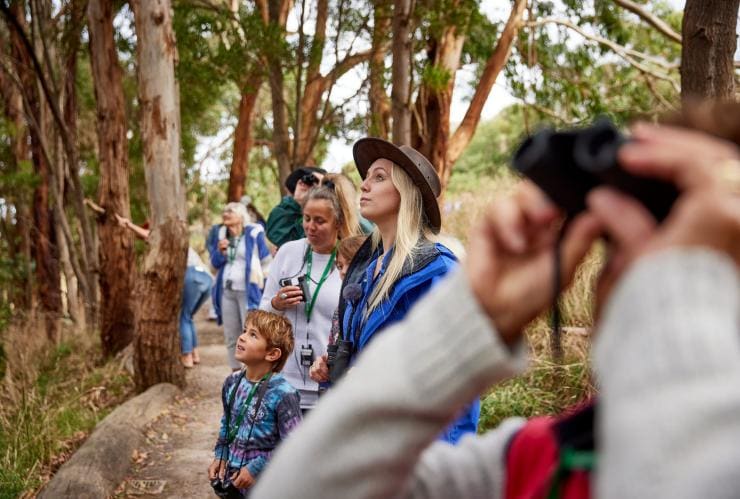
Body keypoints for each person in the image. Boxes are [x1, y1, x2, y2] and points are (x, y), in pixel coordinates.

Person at [253, 117, 740, 498]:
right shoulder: (544, 458)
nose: (641, 279)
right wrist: (468, 322)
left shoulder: (435, 265)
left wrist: (679, 287)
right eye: (617, 249)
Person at [312, 138, 478, 444]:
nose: (364, 185)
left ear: (406, 192)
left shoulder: (437, 271)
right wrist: (336, 366)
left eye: (379, 177)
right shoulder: (366, 268)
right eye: (367, 177)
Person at [258, 185, 349, 413]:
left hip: (327, 384)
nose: (310, 227)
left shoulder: (350, 260)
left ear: (338, 223)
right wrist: (276, 304)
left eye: (319, 220)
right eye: (307, 218)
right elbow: (262, 313)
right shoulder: (288, 252)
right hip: (283, 383)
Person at [208, 310, 302, 495]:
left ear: (272, 354)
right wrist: (221, 454)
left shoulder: (283, 394)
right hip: (233, 479)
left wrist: (255, 469)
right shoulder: (232, 382)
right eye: (244, 331)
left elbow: (294, 445)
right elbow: (226, 423)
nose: (242, 337)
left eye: (253, 335)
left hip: (266, 483)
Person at [115, 215, 212, 368]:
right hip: (206, 279)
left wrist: (128, 225)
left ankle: (186, 356)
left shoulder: (165, 239)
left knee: (182, 316)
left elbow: (149, 235)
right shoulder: (180, 243)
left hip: (192, 275)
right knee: (188, 316)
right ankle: (194, 353)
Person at [210, 202, 272, 370]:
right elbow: (214, 264)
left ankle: (250, 373)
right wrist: (220, 251)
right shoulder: (222, 234)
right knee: (231, 335)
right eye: (224, 211)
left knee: (250, 334)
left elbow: (266, 262)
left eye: (230, 211)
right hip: (227, 290)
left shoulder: (253, 233)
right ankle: (235, 373)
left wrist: (265, 289)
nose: (226, 214)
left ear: (241, 215)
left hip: (248, 292)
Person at [265, 166, 326, 248]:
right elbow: (280, 243)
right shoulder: (282, 210)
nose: (302, 182)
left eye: (313, 183)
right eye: (302, 179)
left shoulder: (325, 218)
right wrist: (298, 203)